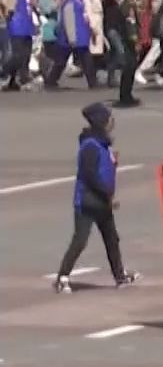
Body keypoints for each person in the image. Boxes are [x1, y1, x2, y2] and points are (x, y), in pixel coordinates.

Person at [54, 103, 139, 293]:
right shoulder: (90, 146)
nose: (112, 122)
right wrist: (106, 194)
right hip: (88, 201)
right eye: (109, 119)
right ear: (101, 122)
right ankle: (62, 276)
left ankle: (120, 275)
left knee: (112, 239)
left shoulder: (102, 144)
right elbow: (90, 175)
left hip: (101, 201)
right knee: (80, 239)